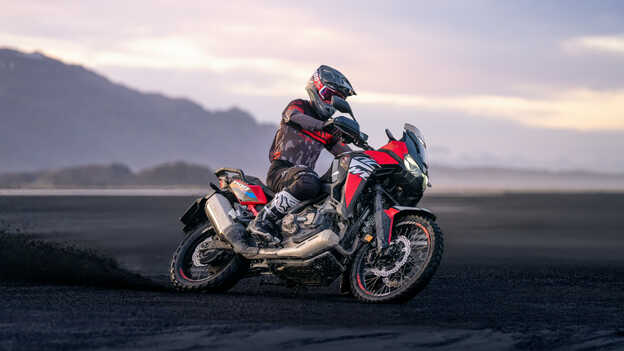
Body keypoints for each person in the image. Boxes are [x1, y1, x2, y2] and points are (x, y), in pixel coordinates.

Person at [248, 65, 356, 241]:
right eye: (329, 96)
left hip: (302, 176)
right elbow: (294, 116)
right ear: (316, 88)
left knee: (333, 188)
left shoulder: (327, 129)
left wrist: (370, 157)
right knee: (309, 181)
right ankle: (261, 220)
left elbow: (346, 154)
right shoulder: (299, 106)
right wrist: (323, 125)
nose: (331, 103)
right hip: (281, 171)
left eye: (336, 100)